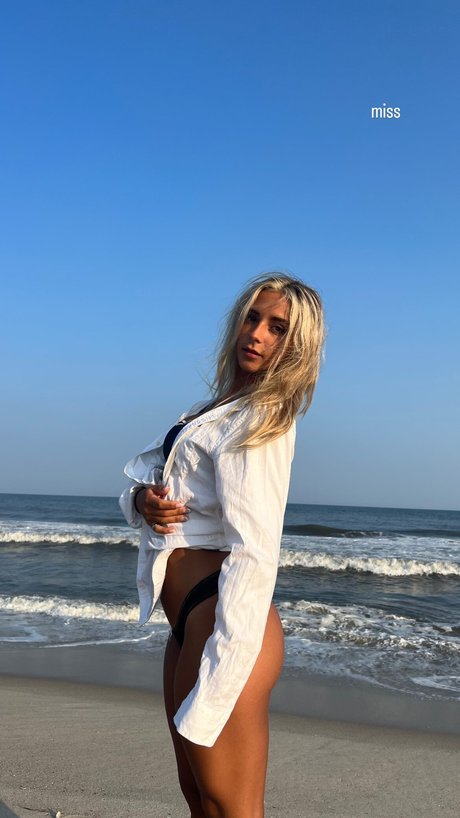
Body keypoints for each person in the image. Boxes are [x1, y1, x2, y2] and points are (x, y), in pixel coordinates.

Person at [119, 273, 325, 818]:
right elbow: (166, 493)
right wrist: (141, 501)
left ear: (297, 346)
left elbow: (256, 551)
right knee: (199, 797)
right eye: (253, 318)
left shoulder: (262, 419)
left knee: (232, 807)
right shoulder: (213, 409)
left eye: (277, 328)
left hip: (226, 623)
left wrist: (223, 666)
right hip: (188, 622)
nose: (256, 334)